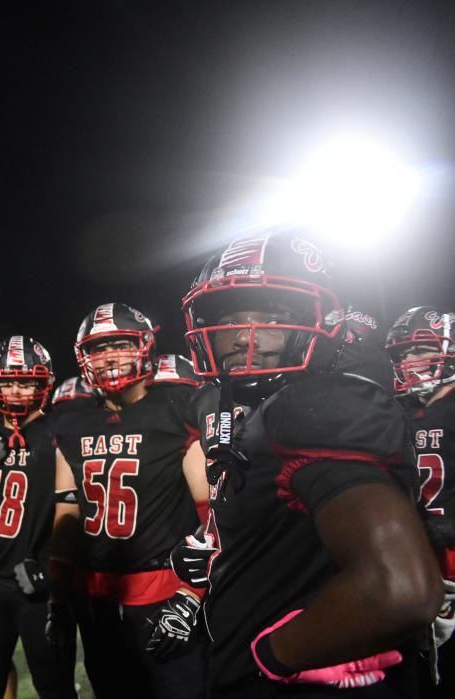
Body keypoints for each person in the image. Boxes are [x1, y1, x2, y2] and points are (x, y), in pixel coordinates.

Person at [179, 232, 442, 697]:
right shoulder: (224, 399)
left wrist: (276, 655)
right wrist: (217, 552)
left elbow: (399, 589)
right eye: (230, 318)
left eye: (273, 318)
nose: (244, 335)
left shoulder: (320, 404)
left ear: (321, 324)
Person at [49, 303, 209, 699]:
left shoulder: (177, 410)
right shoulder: (71, 423)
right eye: (97, 349)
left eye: (118, 344)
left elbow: (215, 512)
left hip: (164, 591)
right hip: (95, 595)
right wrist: (58, 596)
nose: (108, 357)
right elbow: (67, 511)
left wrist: (193, 594)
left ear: (144, 345)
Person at [0, 336, 76, 699]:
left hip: (36, 585)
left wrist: (56, 581)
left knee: (54, 687)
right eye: (7, 381)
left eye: (25, 381)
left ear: (43, 384)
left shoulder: (58, 435)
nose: (15, 390)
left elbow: (69, 514)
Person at [386, 306, 455, 695]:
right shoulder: (401, 412)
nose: (409, 361)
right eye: (402, 354)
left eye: (420, 349)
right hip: (419, 556)